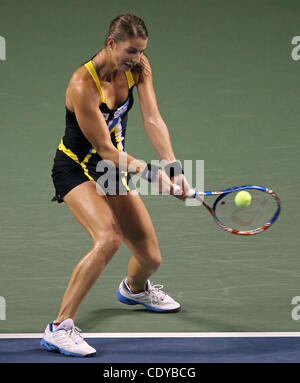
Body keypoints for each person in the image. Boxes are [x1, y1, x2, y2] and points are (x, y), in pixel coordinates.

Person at [41, 13, 191, 357]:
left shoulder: (138, 68)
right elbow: (107, 150)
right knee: (107, 238)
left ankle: (135, 289)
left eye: (140, 52)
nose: (136, 59)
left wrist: (175, 168)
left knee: (150, 257)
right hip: (76, 168)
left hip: (112, 170)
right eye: (130, 51)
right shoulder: (82, 84)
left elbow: (152, 119)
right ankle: (59, 327)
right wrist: (155, 176)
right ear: (111, 43)